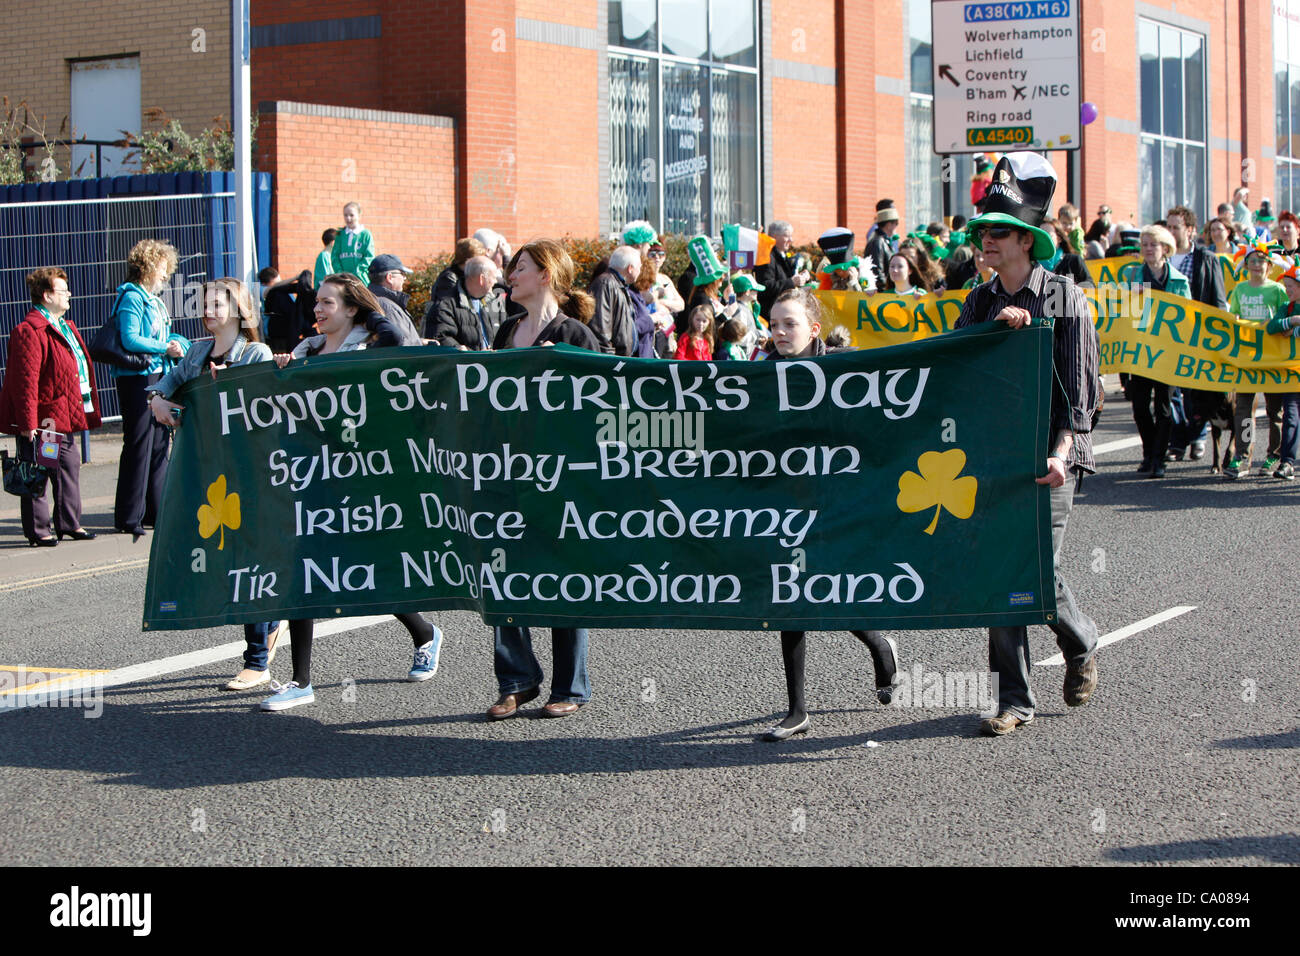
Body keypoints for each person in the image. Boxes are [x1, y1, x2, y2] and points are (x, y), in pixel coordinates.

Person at [955, 152, 1101, 736]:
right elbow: (955, 372)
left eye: (996, 232)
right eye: (983, 232)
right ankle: (1014, 700)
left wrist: (1061, 455)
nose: (984, 241)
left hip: (1051, 456)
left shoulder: (1066, 299)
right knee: (1001, 576)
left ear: (1024, 241)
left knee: (1034, 570)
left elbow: (1082, 396)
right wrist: (995, 333)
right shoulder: (979, 301)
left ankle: (1080, 640)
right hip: (995, 460)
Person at [258, 274, 444, 712]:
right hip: (310, 474)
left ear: (352, 309)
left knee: (368, 568)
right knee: (303, 567)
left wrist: (372, 312)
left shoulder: (369, 347)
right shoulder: (305, 351)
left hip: (362, 475)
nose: (317, 310)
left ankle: (425, 633)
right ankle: (300, 681)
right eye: (316, 303)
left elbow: (397, 340)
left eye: (328, 303)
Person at [754, 287, 900, 741]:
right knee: (788, 593)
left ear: (814, 329)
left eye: (789, 324)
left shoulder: (843, 367)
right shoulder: (762, 371)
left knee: (830, 587)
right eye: (774, 323)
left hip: (838, 498)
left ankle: (879, 645)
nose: (778, 332)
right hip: (787, 498)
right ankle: (796, 710)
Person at [144, 279, 286, 690]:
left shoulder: (255, 352)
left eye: (216, 304)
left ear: (239, 310)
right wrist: (157, 398)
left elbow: (258, 407)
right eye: (204, 304)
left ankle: (257, 661)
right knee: (228, 558)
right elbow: (167, 385)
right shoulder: (195, 352)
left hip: (251, 473)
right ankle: (271, 624)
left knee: (249, 561)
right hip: (211, 474)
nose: (207, 310)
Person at [488, 239, 597, 719]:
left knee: (564, 576)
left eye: (520, 268)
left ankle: (568, 688)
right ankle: (516, 680)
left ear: (546, 275)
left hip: (561, 477)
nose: (511, 275)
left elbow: (604, 401)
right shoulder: (506, 329)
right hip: (507, 469)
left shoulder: (574, 334)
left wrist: (565, 371)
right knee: (503, 571)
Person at [0, 267, 101, 546]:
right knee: (41, 469)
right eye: (62, 291)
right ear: (46, 295)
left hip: (63, 414)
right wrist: (27, 423)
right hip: (45, 419)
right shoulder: (30, 331)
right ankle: (38, 530)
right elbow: (26, 382)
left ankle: (69, 524)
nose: (69, 295)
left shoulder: (64, 326)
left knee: (69, 465)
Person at [111, 239, 190, 539]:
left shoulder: (151, 299)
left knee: (158, 444)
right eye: (160, 267)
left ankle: (155, 511)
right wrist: (164, 347)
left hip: (154, 374)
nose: (164, 274)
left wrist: (176, 343)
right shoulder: (132, 297)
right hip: (136, 377)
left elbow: (162, 334)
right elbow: (130, 338)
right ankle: (129, 516)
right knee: (139, 443)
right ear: (146, 266)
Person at [1163, 205, 1229, 463]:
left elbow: (1219, 301)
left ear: (1189, 230)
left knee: (1196, 390)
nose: (1170, 231)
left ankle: (1198, 436)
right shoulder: (1160, 257)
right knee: (1171, 392)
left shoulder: (1206, 259)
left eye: (1175, 227)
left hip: (1197, 335)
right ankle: (1178, 439)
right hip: (1166, 336)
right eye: (1167, 226)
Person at [1127, 225, 1190, 478]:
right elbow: (1124, 314)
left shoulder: (1179, 280)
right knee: (1140, 407)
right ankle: (1149, 451)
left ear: (1165, 249)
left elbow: (1188, 318)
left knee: (1164, 407)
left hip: (1167, 352)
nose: (1148, 249)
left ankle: (1158, 458)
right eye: (1144, 244)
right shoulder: (1133, 276)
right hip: (1140, 350)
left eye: (1153, 244)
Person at [1224, 244, 1289, 479]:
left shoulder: (1277, 290)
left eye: (1262, 260)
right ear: (1246, 264)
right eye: (1253, 259)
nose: (1257, 264)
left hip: (1273, 357)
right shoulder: (1240, 289)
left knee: (1275, 410)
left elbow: (1285, 316)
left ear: (1270, 266)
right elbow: (1233, 317)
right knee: (1243, 407)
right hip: (1247, 357)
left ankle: (1274, 454)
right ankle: (1242, 455)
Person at [1266, 262, 1300, 479]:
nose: (1287, 291)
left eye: (1291, 287)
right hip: (1291, 373)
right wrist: (1292, 320)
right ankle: (1287, 462)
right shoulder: (1286, 307)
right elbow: (1272, 327)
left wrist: (1295, 329)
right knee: (1290, 416)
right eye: (1286, 287)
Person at [431, 255, 507, 350]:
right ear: (481, 279)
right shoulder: (446, 305)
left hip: (495, 363)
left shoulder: (496, 302)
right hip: (465, 364)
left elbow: (506, 335)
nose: (496, 281)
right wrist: (470, 354)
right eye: (494, 277)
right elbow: (441, 338)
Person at [423, 237, 489, 336]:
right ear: (468, 260)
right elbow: (449, 308)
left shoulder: (461, 275)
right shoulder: (449, 278)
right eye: (478, 260)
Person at [588, 244, 641, 356]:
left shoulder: (618, 285)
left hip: (621, 361)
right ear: (630, 268)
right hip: (613, 363)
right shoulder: (606, 284)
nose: (640, 271)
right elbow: (600, 330)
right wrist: (610, 363)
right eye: (639, 267)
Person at [754, 221, 810, 316]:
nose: (791, 240)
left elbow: (785, 277)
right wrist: (791, 282)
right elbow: (764, 286)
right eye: (787, 236)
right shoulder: (766, 256)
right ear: (774, 237)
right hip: (771, 314)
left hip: (783, 311)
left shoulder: (781, 254)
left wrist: (802, 277)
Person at [365, 253, 423, 345]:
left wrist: (421, 341)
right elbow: (404, 347)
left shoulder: (370, 300)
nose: (405, 278)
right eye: (402, 274)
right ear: (390, 277)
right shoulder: (389, 308)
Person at [261, 269, 316, 353]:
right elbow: (271, 289)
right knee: (277, 292)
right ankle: (305, 286)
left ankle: (305, 287)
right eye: (278, 282)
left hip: (293, 321)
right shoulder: (261, 288)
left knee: (306, 294)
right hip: (276, 326)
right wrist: (296, 277)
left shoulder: (286, 292)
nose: (282, 283)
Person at [331, 201, 375, 281]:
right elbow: (335, 257)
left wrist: (357, 273)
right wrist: (341, 273)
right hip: (343, 280)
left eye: (351, 215)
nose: (348, 218)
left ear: (359, 215)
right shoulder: (340, 235)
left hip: (361, 279)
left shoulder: (366, 234)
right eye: (345, 215)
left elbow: (369, 257)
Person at [864, 207, 901, 288]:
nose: (896, 227)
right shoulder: (878, 242)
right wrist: (887, 288)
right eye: (896, 223)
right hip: (881, 293)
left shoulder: (883, 241)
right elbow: (877, 271)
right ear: (889, 225)